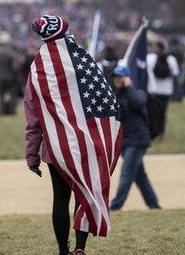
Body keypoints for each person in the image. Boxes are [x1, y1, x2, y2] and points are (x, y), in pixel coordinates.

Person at [24, 15, 121, 255]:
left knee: (60, 198)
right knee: (83, 192)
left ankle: (62, 250)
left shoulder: (37, 69)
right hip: (86, 142)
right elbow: (103, 98)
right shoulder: (84, 61)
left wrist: (32, 154)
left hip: (55, 146)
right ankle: (80, 247)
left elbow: (33, 116)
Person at [108, 65, 160, 211]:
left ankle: (115, 206)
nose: (117, 80)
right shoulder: (115, 95)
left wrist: (129, 86)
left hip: (137, 140)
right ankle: (153, 204)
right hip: (125, 141)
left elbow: (138, 103)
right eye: (115, 77)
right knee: (139, 176)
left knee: (126, 173)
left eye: (120, 77)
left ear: (127, 78)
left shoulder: (138, 93)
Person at [145, 42, 179, 137]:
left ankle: (153, 133)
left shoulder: (149, 58)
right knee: (162, 113)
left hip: (152, 90)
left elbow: (147, 74)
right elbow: (175, 74)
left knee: (152, 113)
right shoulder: (171, 59)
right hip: (166, 90)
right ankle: (161, 132)